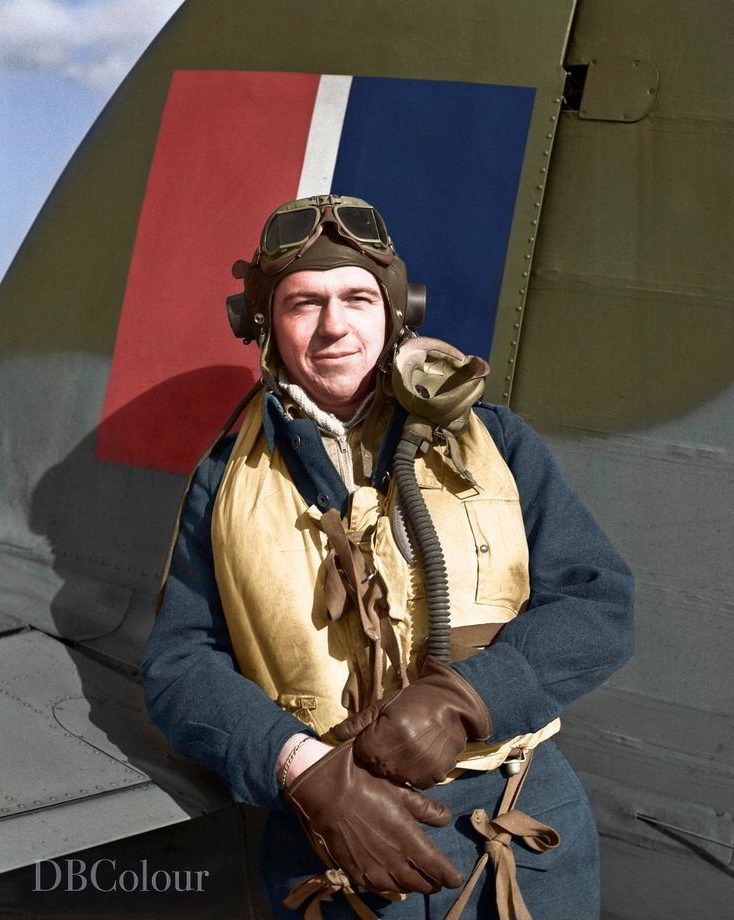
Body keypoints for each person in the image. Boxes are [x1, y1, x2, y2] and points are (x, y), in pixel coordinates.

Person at [142, 194, 634, 920]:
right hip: (331, 837)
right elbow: (180, 666)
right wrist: (301, 769)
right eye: (303, 303)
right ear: (265, 326)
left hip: (518, 829)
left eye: (357, 298)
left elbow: (600, 602)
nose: (334, 325)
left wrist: (469, 701)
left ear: (396, 311)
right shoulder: (224, 480)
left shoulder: (495, 443)